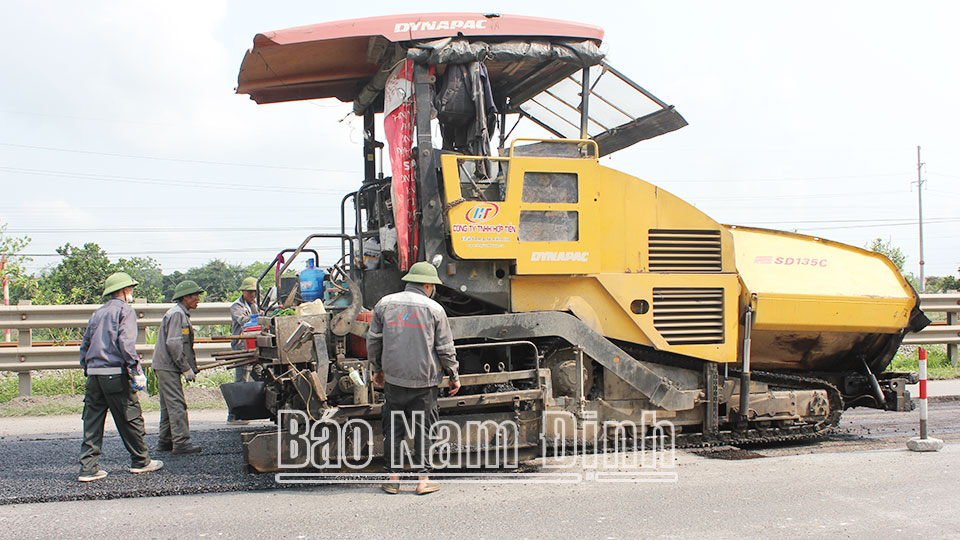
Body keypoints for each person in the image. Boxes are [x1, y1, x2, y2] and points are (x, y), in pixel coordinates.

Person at [367, 261, 460, 495]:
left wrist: (377, 369)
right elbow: (445, 348)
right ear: (428, 285)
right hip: (425, 383)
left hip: (394, 380)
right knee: (424, 431)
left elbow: (373, 341)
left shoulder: (384, 304)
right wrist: (454, 375)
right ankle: (422, 481)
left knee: (394, 430)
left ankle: (393, 479)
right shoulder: (435, 309)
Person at [77, 272, 163, 482]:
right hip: (114, 374)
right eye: (131, 289)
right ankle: (141, 461)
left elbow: (85, 344)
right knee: (129, 417)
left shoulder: (98, 313)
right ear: (125, 291)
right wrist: (136, 370)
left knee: (92, 421)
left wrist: (88, 368)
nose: (132, 293)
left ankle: (88, 468)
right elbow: (125, 342)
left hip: (94, 375)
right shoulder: (125, 311)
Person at [152, 280, 204, 454]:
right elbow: (174, 345)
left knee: (168, 405)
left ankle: (165, 441)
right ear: (185, 297)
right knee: (176, 404)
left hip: (165, 365)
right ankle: (181, 442)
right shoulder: (177, 315)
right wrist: (185, 368)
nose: (198, 299)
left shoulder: (179, 313)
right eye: (195, 296)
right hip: (168, 366)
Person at [227, 277, 261, 424]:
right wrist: (259, 317)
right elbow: (243, 321)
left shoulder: (256, 305)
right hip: (241, 346)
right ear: (243, 292)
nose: (253, 295)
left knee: (260, 375)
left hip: (255, 345)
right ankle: (234, 416)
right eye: (250, 292)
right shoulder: (237, 306)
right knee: (241, 378)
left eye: (254, 292)